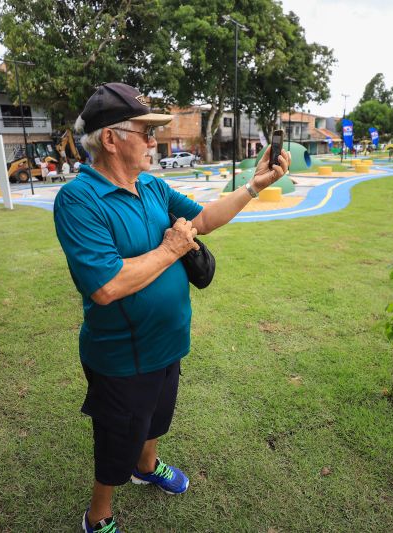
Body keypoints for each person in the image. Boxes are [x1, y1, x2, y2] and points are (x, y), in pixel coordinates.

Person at [53, 82, 290, 533]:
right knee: (115, 438)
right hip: (122, 356)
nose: (153, 140)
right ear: (110, 139)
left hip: (169, 341)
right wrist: (172, 248)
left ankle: (149, 465)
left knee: (157, 417)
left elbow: (202, 220)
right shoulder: (78, 200)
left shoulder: (153, 187)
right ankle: (98, 514)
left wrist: (253, 188)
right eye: (144, 131)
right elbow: (105, 286)